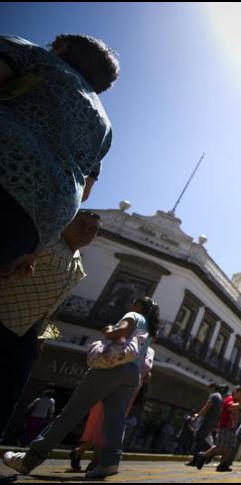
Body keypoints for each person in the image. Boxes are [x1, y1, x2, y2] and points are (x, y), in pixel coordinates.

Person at [0, 34, 117, 277]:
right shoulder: (104, 127)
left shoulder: (33, 54)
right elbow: (85, 192)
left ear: (61, 47)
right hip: (37, 221)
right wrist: (34, 248)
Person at [3, 297, 158, 479]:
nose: (131, 305)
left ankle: (30, 459)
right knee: (115, 421)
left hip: (111, 368)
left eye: (134, 302)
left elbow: (121, 331)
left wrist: (109, 330)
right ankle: (110, 462)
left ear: (138, 306)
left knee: (71, 413)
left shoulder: (133, 315)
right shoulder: (148, 329)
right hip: (132, 374)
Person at [0, 210, 100, 440]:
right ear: (67, 221)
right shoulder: (45, 240)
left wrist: (43, 336)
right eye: (82, 224)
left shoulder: (78, 263)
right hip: (4, 316)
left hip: (27, 333)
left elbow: (54, 304)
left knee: (9, 392)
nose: (86, 231)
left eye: (93, 230)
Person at [194, 386, 241, 472]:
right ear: (234, 392)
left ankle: (222, 464)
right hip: (225, 427)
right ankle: (204, 455)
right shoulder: (230, 399)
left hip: (231, 428)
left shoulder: (236, 402)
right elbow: (230, 407)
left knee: (229, 447)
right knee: (220, 446)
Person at [187, 383, 224, 464]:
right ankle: (208, 453)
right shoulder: (221, 398)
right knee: (203, 438)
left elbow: (206, 407)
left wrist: (196, 418)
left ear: (213, 388)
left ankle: (196, 459)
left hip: (207, 420)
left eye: (209, 389)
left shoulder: (213, 396)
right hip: (213, 422)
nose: (209, 391)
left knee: (198, 438)